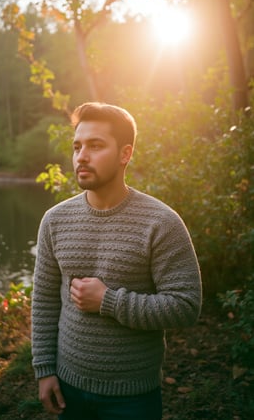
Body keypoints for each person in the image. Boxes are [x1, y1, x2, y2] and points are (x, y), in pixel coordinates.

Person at [32, 101, 202, 420]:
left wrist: (108, 301)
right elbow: (43, 301)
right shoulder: (54, 221)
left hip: (132, 398)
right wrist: (44, 370)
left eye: (95, 146)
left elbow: (186, 306)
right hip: (68, 387)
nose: (82, 156)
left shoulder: (161, 223)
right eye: (77, 146)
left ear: (125, 154)